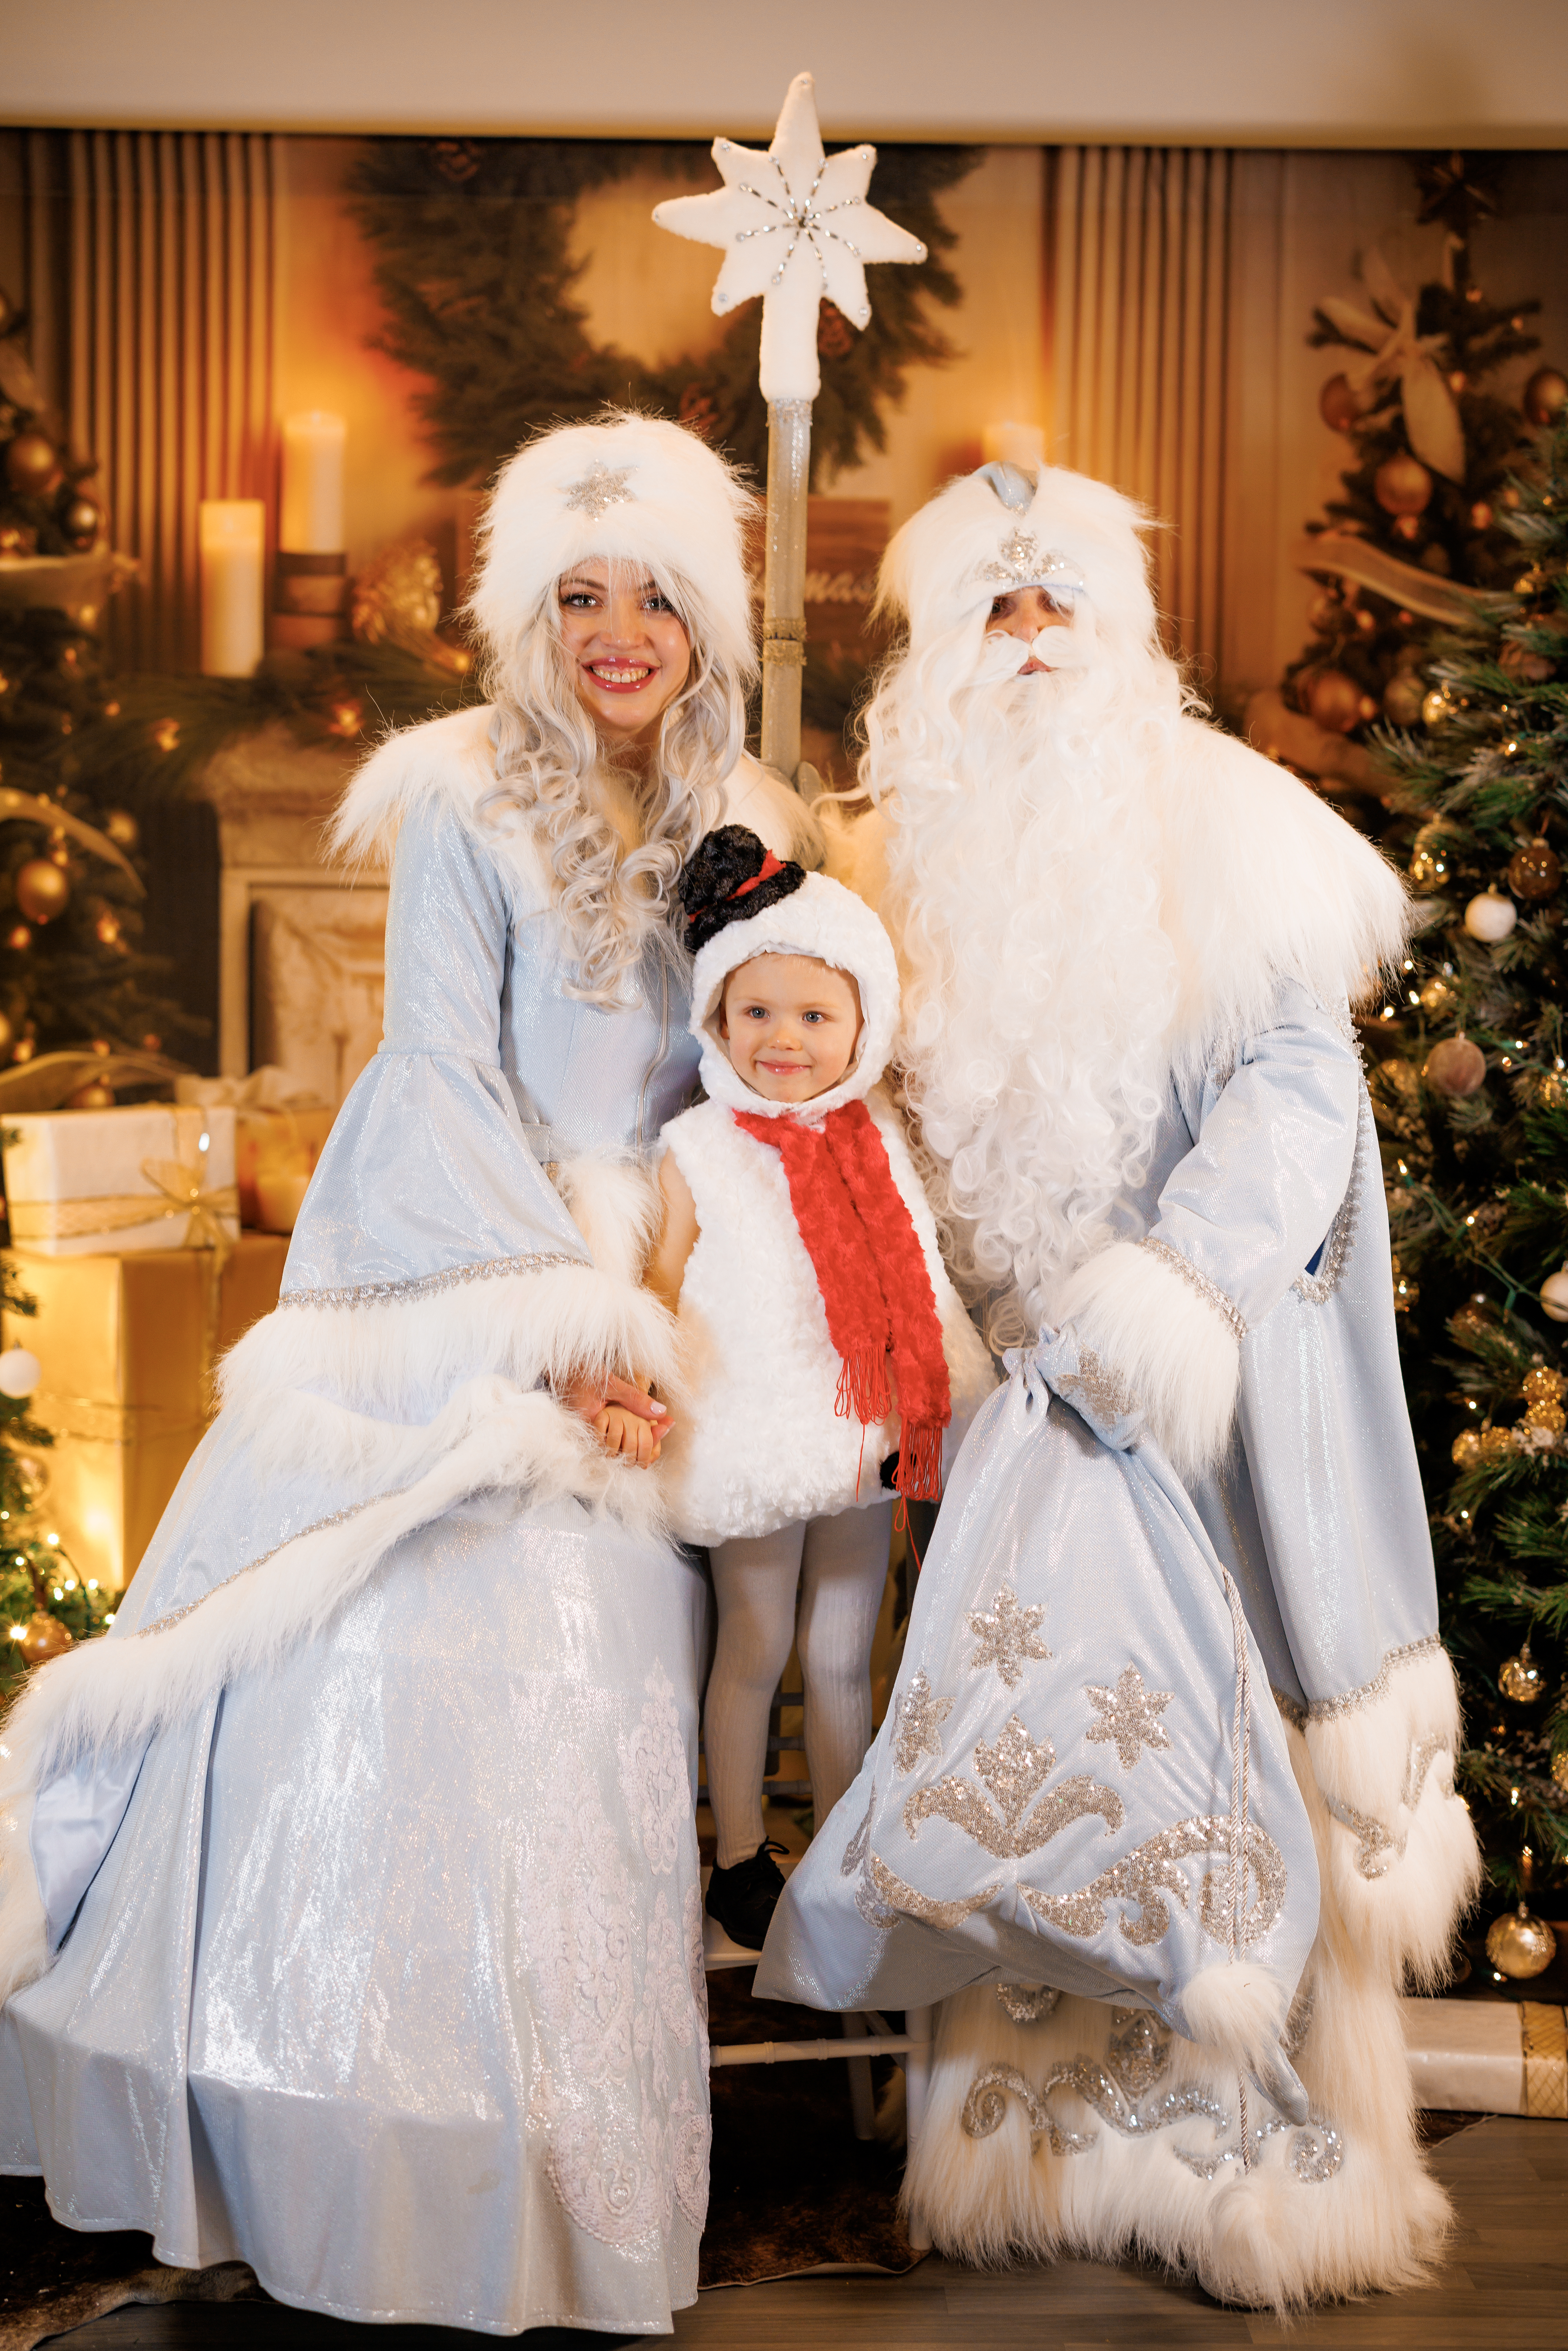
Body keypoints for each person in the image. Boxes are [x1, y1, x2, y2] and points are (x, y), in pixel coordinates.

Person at [0, 412, 819, 2338]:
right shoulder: (460, 793)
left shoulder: (747, 816)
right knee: (404, 1695)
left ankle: (553, 2208)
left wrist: (684, 1295)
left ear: (705, 619)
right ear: (530, 615)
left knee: (592, 1719)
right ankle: (364, 2189)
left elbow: (766, 1073)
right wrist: (569, 1322)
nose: (619, 630)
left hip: (671, 1285)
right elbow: (442, 1062)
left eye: (655, 597)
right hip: (478, 1274)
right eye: (579, 595)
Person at [758, 459, 1478, 2309]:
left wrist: (1161, 1303)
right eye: (990, 614)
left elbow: (1299, 1096)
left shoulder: (1233, 826)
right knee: (1039, 1778)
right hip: (1009, 1420)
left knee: (1231, 1780)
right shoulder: (896, 861)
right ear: (936, 653)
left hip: (1211, 1399)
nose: (1027, 641)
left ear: (1120, 631)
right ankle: (1036, 2173)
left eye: (1056, 604)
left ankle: (1269, 2182)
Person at [643, 827, 994, 1949]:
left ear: (861, 1026)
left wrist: (927, 1406)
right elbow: (658, 1284)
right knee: (751, 1640)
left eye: (813, 1015)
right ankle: (739, 1854)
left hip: (861, 1435)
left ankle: (849, 1846)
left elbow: (919, 1282)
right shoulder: (698, 1145)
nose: (783, 1039)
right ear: (715, 1016)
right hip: (750, 1435)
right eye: (756, 1012)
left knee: (846, 1647)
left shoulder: (876, 1138)